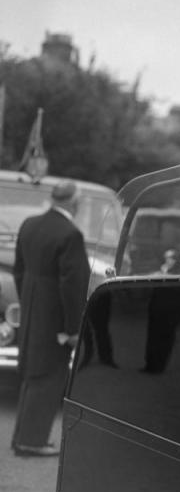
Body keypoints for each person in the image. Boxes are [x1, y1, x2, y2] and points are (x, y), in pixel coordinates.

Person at [11, 181, 90, 456]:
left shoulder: (29, 224)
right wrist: (72, 328)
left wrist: (30, 303)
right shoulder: (71, 234)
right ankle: (32, 441)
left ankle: (22, 437)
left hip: (33, 312)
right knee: (48, 378)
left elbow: (19, 271)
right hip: (56, 318)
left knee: (32, 376)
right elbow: (73, 285)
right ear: (74, 202)